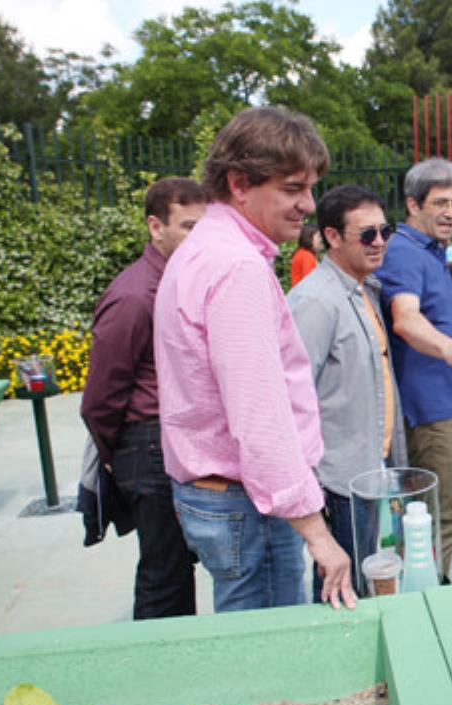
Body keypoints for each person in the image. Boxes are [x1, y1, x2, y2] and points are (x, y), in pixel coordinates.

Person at [153, 107, 356, 612]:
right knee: (267, 672)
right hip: (250, 502)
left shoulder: (205, 248)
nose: (308, 204)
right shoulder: (235, 266)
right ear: (240, 183)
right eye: (292, 188)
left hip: (227, 495)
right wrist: (317, 533)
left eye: (309, 188)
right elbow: (259, 416)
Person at [81, 177, 207, 620]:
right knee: (164, 573)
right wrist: (114, 454)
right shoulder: (135, 295)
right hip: (147, 444)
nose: (201, 237)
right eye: (190, 226)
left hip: (173, 440)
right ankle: (159, 674)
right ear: (156, 227)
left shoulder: (182, 279)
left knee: (177, 565)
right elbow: (100, 397)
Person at [288, 186, 407, 599]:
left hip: (368, 465)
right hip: (338, 477)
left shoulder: (361, 289)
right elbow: (290, 398)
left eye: (384, 231)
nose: (379, 243)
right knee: (342, 590)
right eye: (367, 235)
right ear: (331, 237)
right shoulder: (316, 302)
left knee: (363, 578)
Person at [376, 158, 452, 580]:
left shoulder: (428, 250)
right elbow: (406, 318)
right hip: (431, 413)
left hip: (441, 405)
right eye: (440, 202)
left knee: (425, 516)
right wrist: (451, 349)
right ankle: (424, 596)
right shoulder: (405, 252)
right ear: (412, 203)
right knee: (442, 517)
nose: (450, 212)